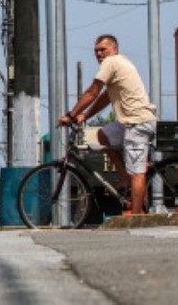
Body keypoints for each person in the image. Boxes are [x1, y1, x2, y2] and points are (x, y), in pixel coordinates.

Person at [59, 34, 157, 215]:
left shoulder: (111, 62)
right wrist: (85, 115)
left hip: (137, 123)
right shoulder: (119, 64)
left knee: (137, 172)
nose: (99, 54)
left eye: (103, 49)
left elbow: (92, 92)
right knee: (101, 136)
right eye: (96, 51)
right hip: (128, 122)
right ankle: (123, 176)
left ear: (114, 49)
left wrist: (70, 115)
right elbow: (104, 97)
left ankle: (136, 214)